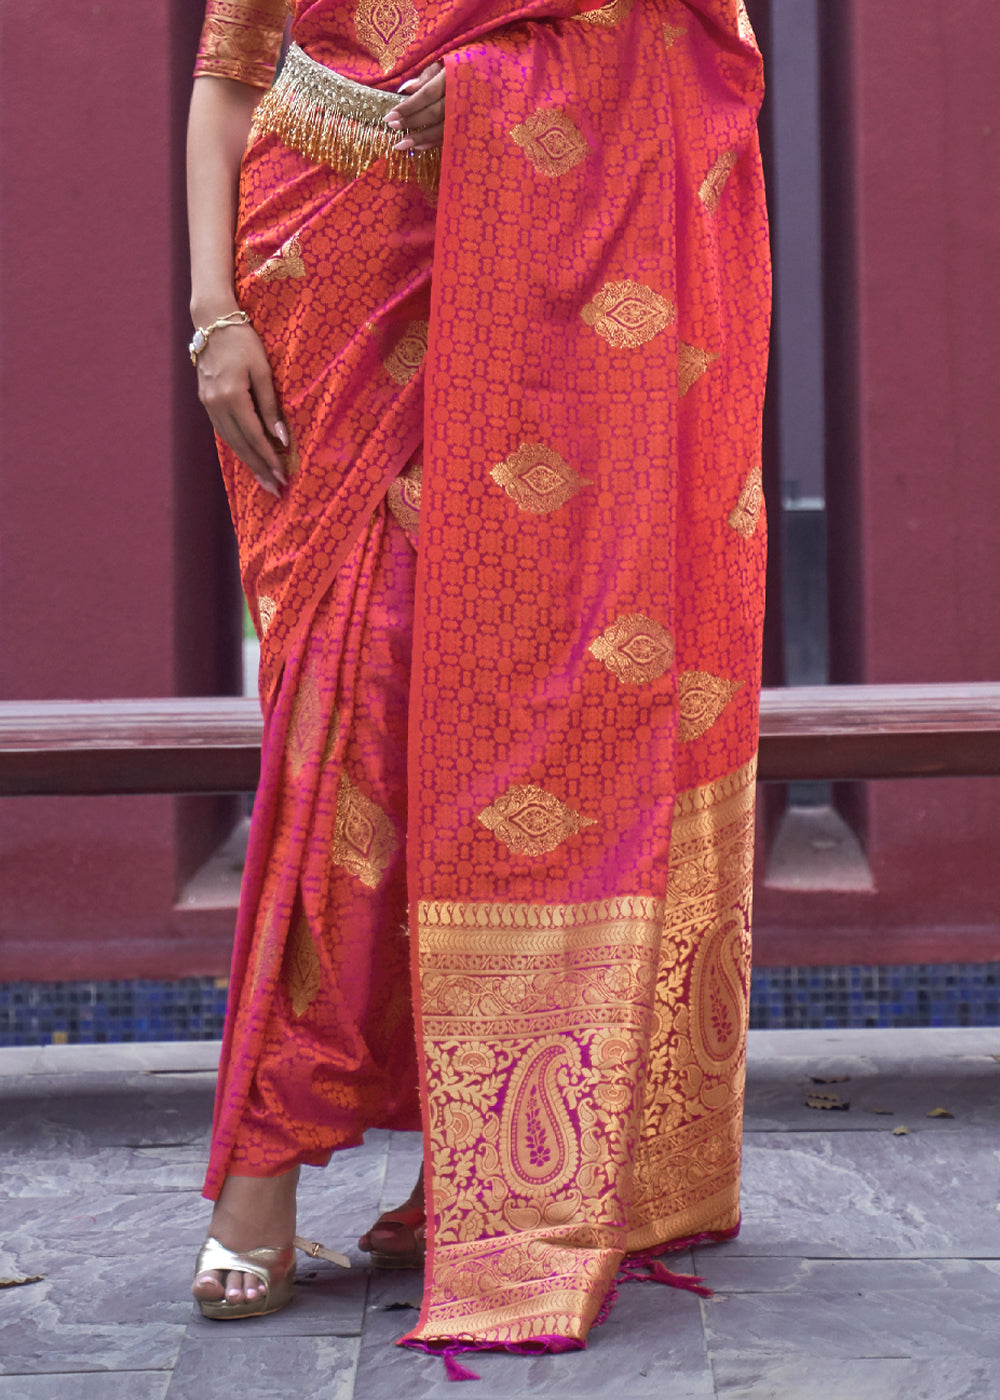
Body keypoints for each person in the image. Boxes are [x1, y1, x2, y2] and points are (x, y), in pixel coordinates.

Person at [187, 0, 771, 1360]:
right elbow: (232, 76)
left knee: (491, 725)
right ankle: (271, 1159)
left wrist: (507, 94)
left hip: (535, 301)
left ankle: (466, 1154)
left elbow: (705, 60)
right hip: (316, 290)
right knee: (345, 717)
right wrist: (214, 313)